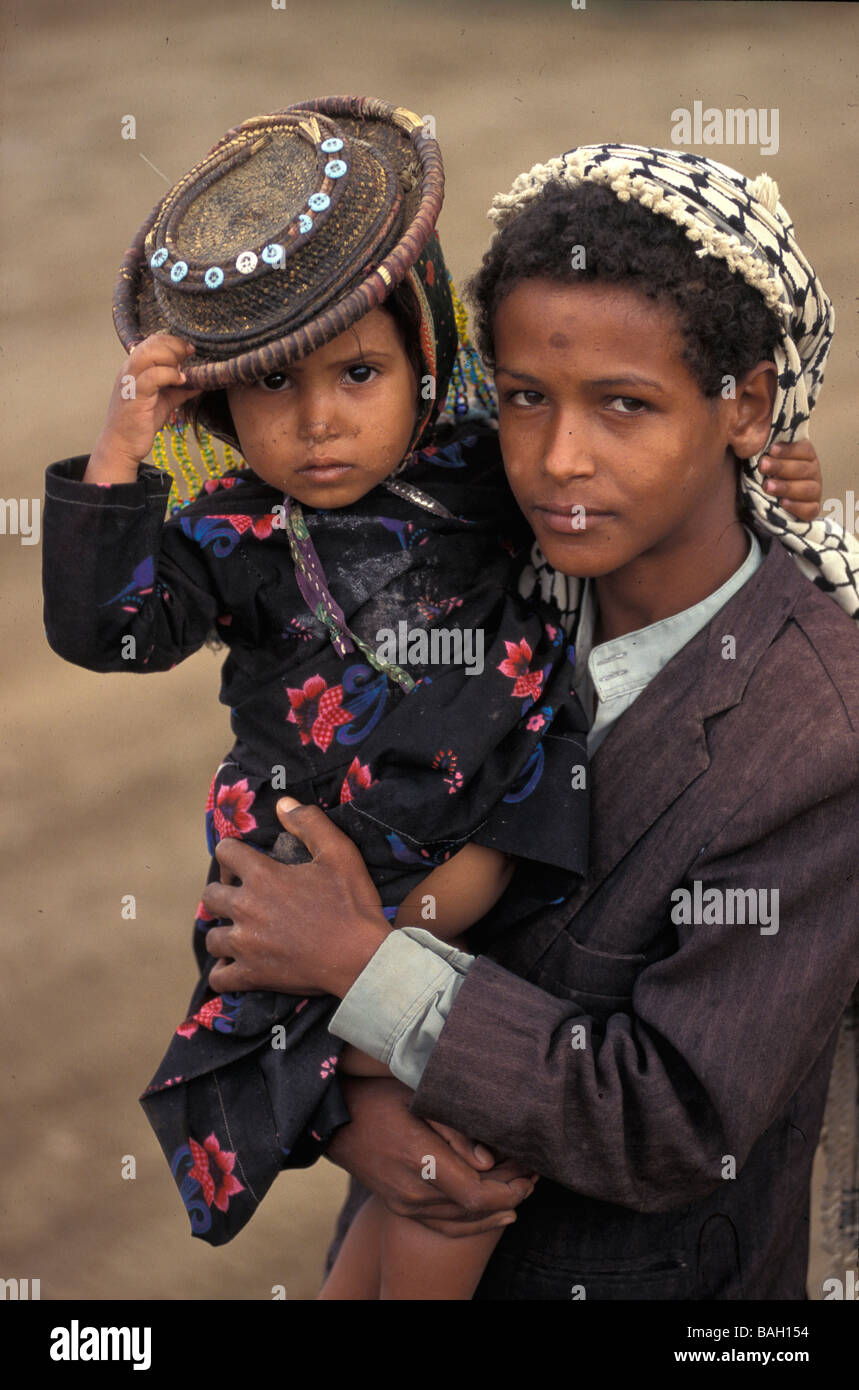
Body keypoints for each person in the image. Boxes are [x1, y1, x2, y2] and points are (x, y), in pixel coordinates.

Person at [198, 145, 859, 1300]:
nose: (558, 459)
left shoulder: (817, 737)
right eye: (522, 398)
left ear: (744, 404)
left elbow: (673, 1117)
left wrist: (366, 966)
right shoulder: (473, 593)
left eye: (624, 404)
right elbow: (275, 904)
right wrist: (352, 1117)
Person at [41, 97, 614, 1301]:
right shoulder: (226, 530)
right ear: (217, 407)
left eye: (359, 372)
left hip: (481, 839)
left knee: (449, 1154)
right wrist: (118, 455)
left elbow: (619, 501)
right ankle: (355, 1094)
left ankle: (362, 1097)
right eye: (271, 390)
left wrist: (759, 467)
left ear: (426, 356)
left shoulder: (484, 465)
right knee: (446, 1175)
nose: (316, 422)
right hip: (307, 866)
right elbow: (110, 635)